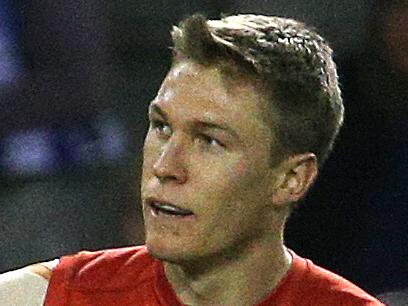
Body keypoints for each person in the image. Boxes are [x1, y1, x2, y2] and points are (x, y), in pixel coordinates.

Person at [0, 13, 384, 305]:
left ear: (291, 179)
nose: (166, 166)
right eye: (162, 127)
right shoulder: (50, 298)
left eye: (210, 141)